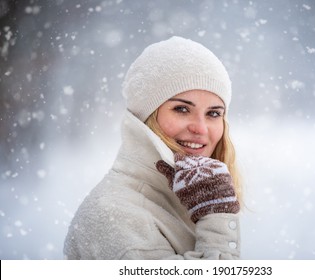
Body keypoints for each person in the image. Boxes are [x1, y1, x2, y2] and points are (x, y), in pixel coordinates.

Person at [64, 36, 242, 259]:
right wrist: (217, 221)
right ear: (146, 117)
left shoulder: (188, 197)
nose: (201, 128)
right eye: (182, 109)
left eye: (213, 113)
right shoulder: (116, 214)